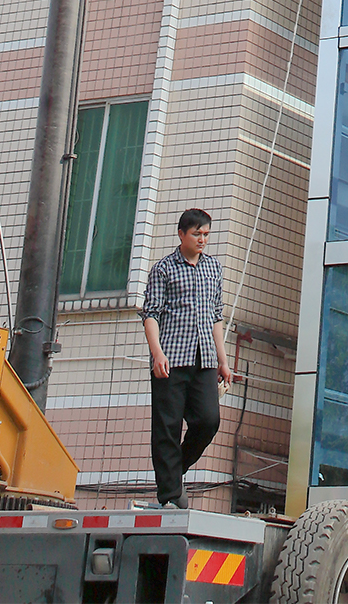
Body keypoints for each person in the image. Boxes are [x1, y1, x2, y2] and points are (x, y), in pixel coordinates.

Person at [142, 208, 233, 508]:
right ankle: (171, 492)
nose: (202, 239)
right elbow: (151, 314)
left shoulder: (214, 268)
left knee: (208, 420)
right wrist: (157, 353)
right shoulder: (163, 269)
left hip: (205, 359)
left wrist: (223, 360)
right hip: (171, 359)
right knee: (167, 427)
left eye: (206, 234)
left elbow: (216, 316)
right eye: (196, 234)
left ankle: (175, 471)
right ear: (181, 234)